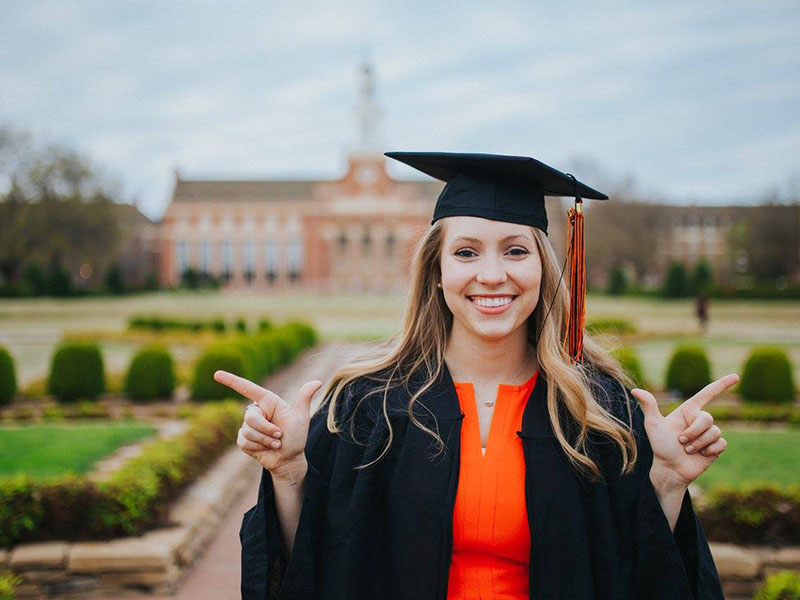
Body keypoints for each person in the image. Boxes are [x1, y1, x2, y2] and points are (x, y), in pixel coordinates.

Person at [215, 152, 737, 600]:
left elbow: (634, 574)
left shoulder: (597, 409)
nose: (492, 274)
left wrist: (667, 482)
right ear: (437, 273)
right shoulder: (368, 406)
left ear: (544, 269)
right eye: (466, 252)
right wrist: (287, 473)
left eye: (515, 250)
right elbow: (317, 560)